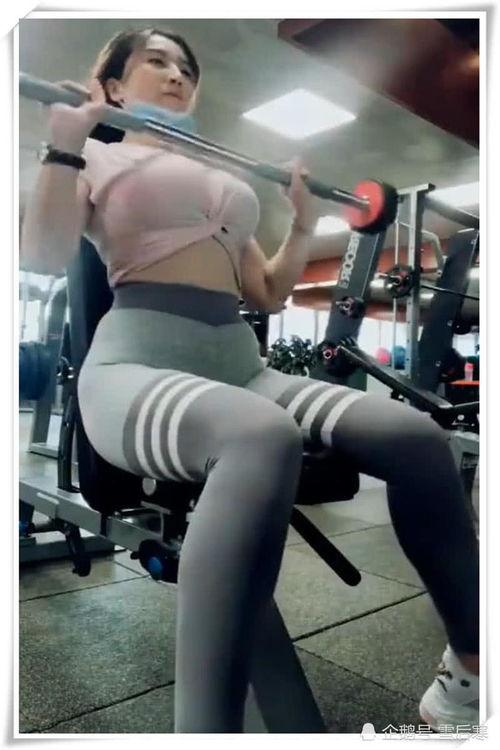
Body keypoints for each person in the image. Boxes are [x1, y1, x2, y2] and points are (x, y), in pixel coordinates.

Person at [21, 27, 480, 734]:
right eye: (156, 62)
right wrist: (63, 144)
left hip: (240, 364)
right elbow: (45, 255)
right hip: (136, 363)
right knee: (261, 435)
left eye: (186, 67)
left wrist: (301, 225)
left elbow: (265, 291)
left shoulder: (222, 178)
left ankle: (470, 669)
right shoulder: (97, 157)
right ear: (111, 86)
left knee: (416, 437)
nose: (177, 74)